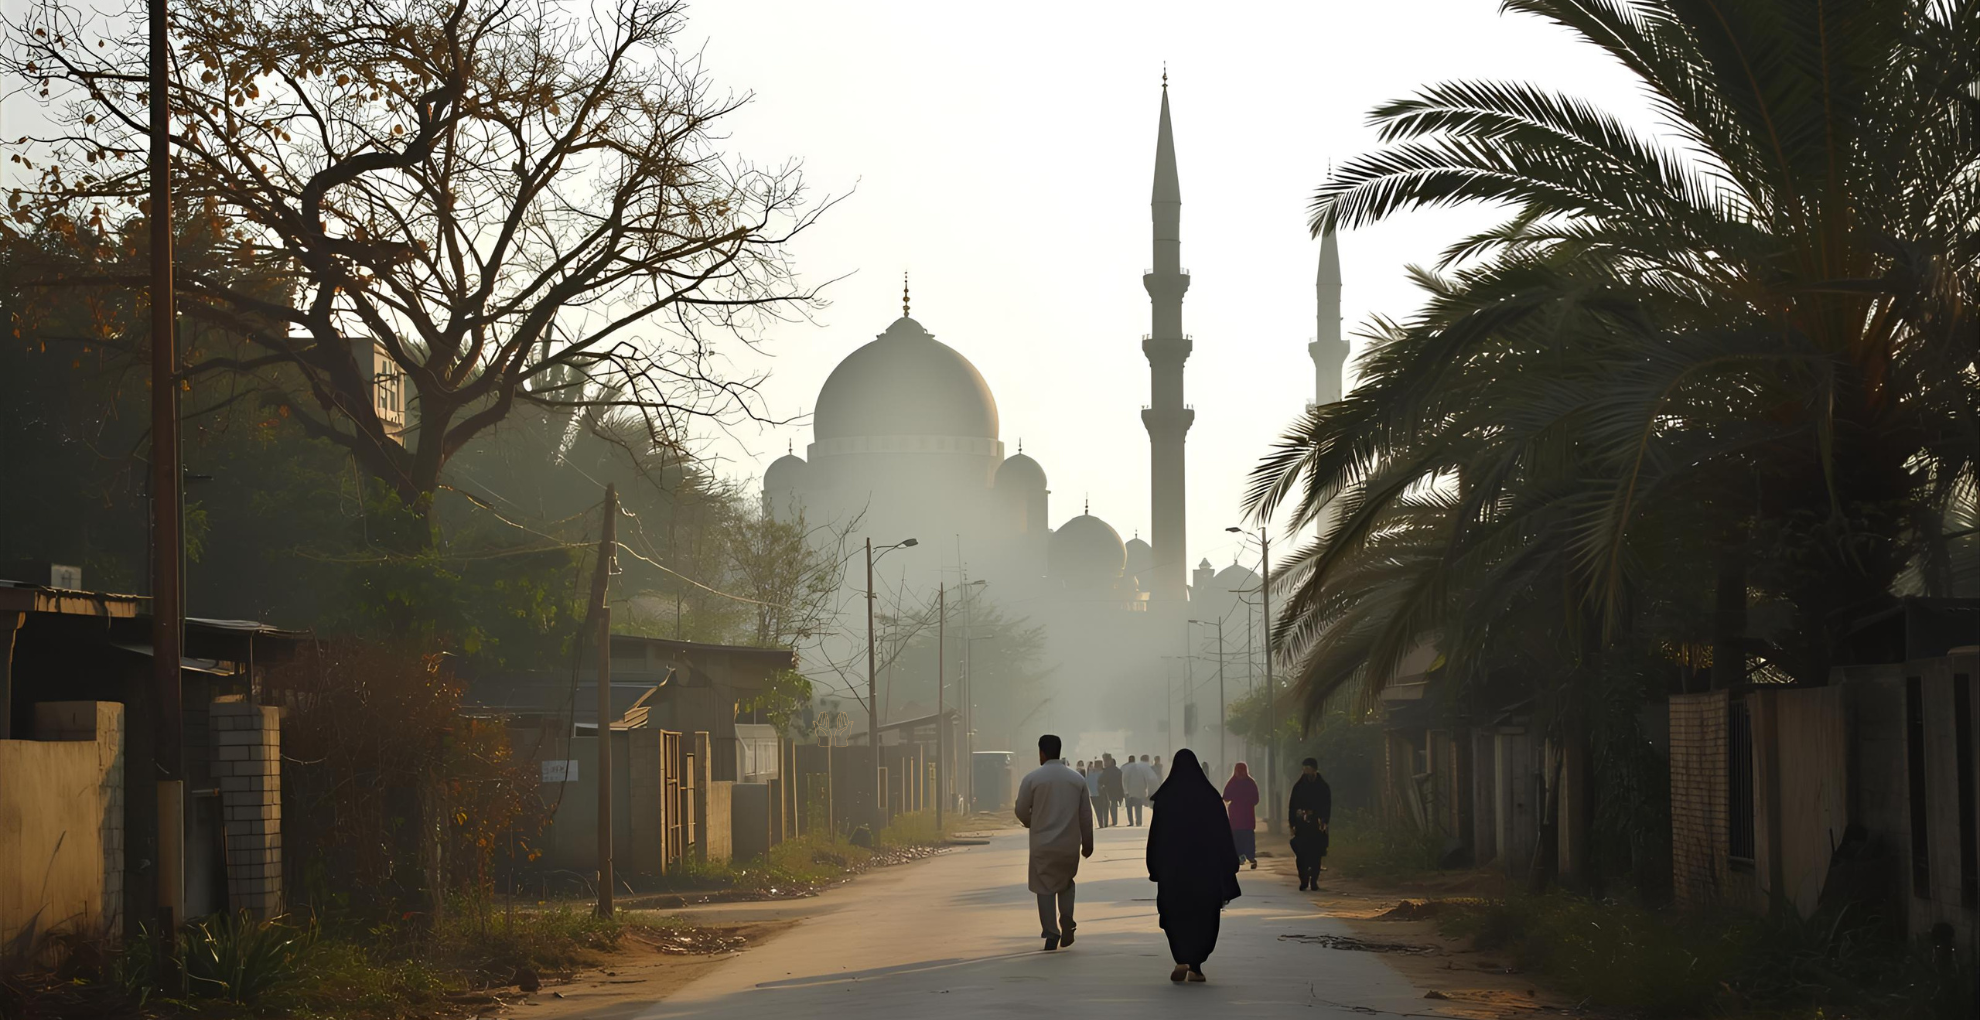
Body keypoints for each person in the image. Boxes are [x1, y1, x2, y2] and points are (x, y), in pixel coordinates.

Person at [1145, 748, 1241, 982]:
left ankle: (1181, 959)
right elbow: (1224, 835)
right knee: (1204, 915)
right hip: (1205, 871)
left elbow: (1155, 836)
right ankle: (1196, 966)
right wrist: (1230, 863)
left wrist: (1154, 867)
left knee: (1175, 913)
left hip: (1173, 871)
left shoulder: (1165, 799)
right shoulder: (1210, 797)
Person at [1015, 733, 1094, 950]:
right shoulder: (1077, 779)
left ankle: (1051, 933)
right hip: (1069, 844)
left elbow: (1021, 810)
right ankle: (1067, 918)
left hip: (1042, 843)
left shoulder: (1032, 779)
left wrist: (1032, 822)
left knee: (1045, 887)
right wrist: (1088, 843)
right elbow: (1086, 815)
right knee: (1066, 882)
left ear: (1041, 752)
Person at [1289, 757, 1333, 889]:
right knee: (1301, 855)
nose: (1306, 772)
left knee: (1316, 855)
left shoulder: (1323, 787)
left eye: (1308, 769)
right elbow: (1292, 806)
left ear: (1314, 769)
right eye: (1304, 769)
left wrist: (1324, 821)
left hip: (1317, 825)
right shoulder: (1299, 786)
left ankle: (1314, 881)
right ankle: (1303, 880)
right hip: (1302, 826)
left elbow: (1327, 805)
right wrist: (1292, 823)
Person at [1222, 762, 1261, 870]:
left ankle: (1246, 857)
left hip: (1242, 817)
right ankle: (1246, 857)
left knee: (1244, 837)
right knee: (1242, 837)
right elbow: (1226, 797)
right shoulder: (1249, 783)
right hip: (1241, 817)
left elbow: (1225, 797)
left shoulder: (1233, 782)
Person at [1123, 753, 1155, 825]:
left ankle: (1131, 822)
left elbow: (1125, 779)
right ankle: (1139, 821)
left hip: (1129, 791)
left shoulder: (1126, 768)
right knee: (1138, 807)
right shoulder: (1139, 768)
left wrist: (1126, 790)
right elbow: (1145, 779)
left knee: (1129, 807)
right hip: (1139, 791)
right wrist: (1145, 789)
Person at [1100, 754, 1125, 827]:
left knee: (1109, 805)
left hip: (1108, 790)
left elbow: (1101, 780)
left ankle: (1109, 821)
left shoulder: (1106, 771)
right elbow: (1121, 782)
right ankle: (1114, 820)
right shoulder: (1118, 771)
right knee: (1113, 804)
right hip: (1117, 790)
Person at [1082, 756, 1106, 827]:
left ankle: (1101, 822)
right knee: (1100, 809)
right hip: (1097, 794)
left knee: (1099, 809)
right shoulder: (1101, 774)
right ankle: (1103, 822)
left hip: (1096, 794)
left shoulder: (1094, 775)